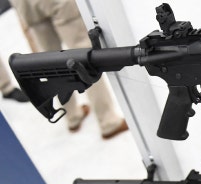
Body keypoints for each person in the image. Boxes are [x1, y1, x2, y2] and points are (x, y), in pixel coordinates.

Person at [9, 0, 128, 139]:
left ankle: (72, 116)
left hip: (25, 5)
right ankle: (108, 121)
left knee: (48, 60)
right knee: (83, 56)